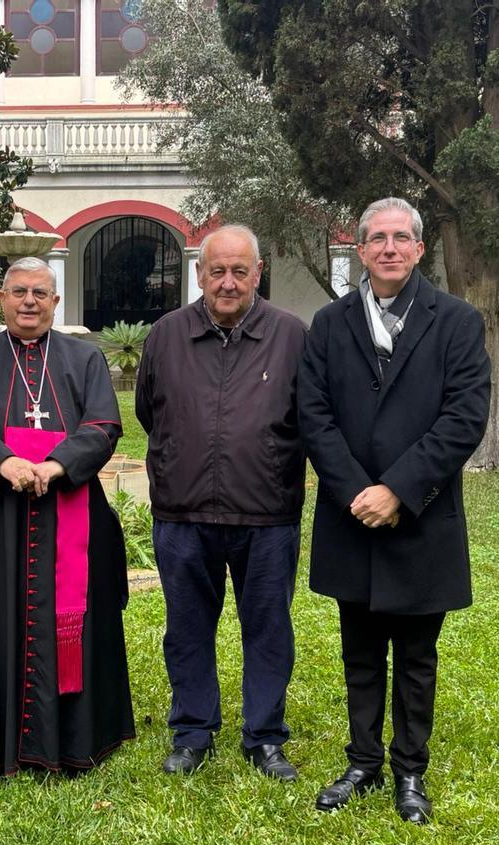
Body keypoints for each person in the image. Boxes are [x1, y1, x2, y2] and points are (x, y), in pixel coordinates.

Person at [299, 197, 490, 824]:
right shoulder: (328, 324)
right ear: (360, 249)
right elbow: (314, 415)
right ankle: (362, 762)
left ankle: (410, 769)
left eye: (399, 238)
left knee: (415, 656)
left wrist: (399, 492)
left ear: (418, 247)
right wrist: (359, 491)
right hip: (350, 512)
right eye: (375, 238)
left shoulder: (457, 321)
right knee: (357, 650)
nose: (388, 248)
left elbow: (464, 418)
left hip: (422, 517)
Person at [0, 257, 134, 781]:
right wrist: (5, 463)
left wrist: (56, 465)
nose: (29, 301)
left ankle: (76, 738)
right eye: (19, 291)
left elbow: (102, 425)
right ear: (1, 299)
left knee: (76, 617)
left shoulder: (84, 358)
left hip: (69, 506)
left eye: (40, 293)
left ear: (55, 302)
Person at [136, 224, 307, 779]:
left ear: (258, 274)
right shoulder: (165, 335)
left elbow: (309, 419)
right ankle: (192, 732)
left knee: (268, 629)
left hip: (266, 513)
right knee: (186, 627)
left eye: (240, 271)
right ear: (199, 274)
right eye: (217, 271)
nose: (228, 283)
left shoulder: (292, 336)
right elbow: (149, 412)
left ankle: (263, 738)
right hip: (183, 514)